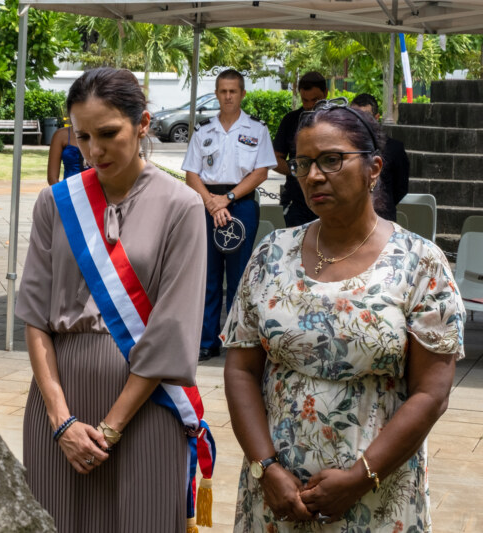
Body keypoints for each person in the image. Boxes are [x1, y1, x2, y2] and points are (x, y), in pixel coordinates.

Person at [222, 97, 465, 531]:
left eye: (332, 160)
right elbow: (241, 369)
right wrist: (266, 468)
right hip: (277, 495)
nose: (314, 175)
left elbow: (432, 394)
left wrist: (359, 478)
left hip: (377, 493)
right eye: (303, 163)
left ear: (374, 168)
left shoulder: (419, 262)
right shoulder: (271, 253)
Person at [16, 67, 208, 532]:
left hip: (145, 408)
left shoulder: (181, 206)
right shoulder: (56, 203)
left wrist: (108, 429)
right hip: (57, 404)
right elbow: (35, 316)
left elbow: (171, 329)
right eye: (81, 137)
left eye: (108, 133)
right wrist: (61, 421)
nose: (94, 150)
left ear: (142, 124)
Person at [181, 69, 277, 361]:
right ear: (217, 93)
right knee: (208, 276)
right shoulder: (204, 131)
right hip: (207, 202)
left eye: (233, 91)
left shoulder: (256, 130)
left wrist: (228, 198)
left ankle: (237, 339)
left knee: (239, 276)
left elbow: (261, 171)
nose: (227, 97)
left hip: (241, 203)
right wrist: (212, 203)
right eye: (222, 91)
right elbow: (191, 173)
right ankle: (207, 341)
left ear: (243, 94)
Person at [273, 71, 327, 227]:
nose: (310, 105)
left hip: (331, 197)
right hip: (297, 199)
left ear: (325, 93)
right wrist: (299, 171)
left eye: (315, 100)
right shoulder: (290, 120)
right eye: (305, 100)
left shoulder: (339, 120)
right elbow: (275, 159)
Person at [351, 93, 410, 221]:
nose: (360, 122)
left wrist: (383, 200)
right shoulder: (344, 148)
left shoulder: (394, 148)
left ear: (376, 118)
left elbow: (401, 189)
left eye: (366, 117)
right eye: (355, 117)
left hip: (384, 215)